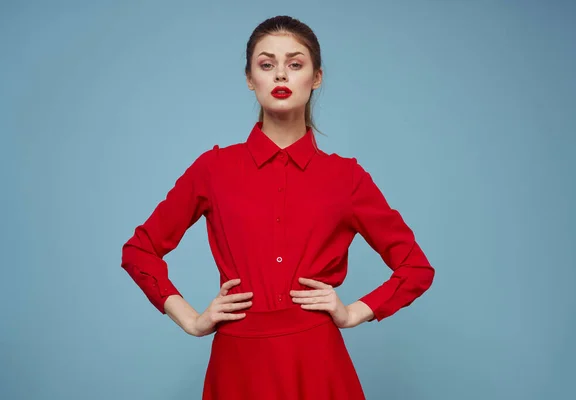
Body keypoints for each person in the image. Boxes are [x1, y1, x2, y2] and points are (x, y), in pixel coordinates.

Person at [121, 15, 435, 400]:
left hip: (317, 362)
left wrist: (353, 312)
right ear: (250, 79)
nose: (281, 76)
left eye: (295, 64)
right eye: (267, 65)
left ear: (316, 77)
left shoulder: (346, 177)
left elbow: (416, 268)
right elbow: (140, 250)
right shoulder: (213, 170)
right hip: (237, 361)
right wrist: (191, 318)